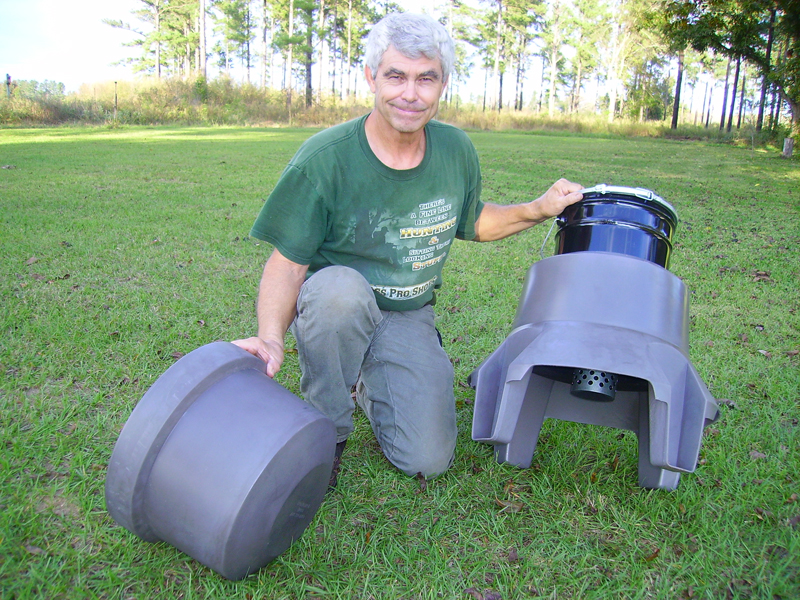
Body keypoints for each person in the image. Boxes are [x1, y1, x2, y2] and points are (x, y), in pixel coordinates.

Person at [233, 12, 583, 486]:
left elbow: (473, 221)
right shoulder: (324, 158)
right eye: (396, 75)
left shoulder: (456, 149)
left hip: (406, 312)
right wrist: (271, 337)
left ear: (443, 85)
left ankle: (375, 382)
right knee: (339, 292)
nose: (410, 94)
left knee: (427, 459)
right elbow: (288, 264)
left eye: (426, 79)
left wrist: (538, 208)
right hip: (338, 302)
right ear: (371, 77)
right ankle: (325, 431)